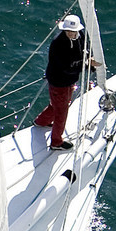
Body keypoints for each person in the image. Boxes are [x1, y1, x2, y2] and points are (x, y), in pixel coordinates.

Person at [34, 13, 87, 152]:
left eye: (73, 31)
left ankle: (41, 122)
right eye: (68, 31)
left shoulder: (80, 36)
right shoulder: (58, 44)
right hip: (59, 82)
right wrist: (86, 64)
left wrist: (88, 59)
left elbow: (84, 49)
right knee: (62, 112)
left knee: (57, 105)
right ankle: (56, 142)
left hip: (68, 81)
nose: (71, 33)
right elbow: (66, 67)